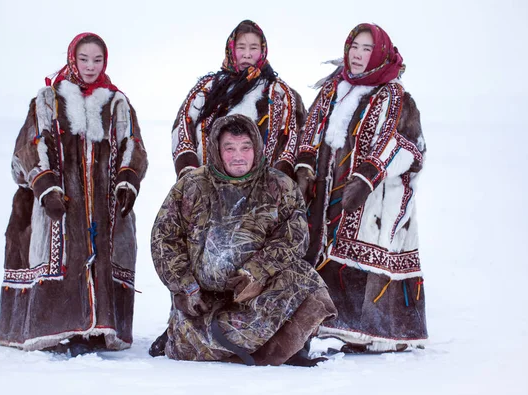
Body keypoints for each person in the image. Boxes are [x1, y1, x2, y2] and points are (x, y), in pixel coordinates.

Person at [0, 32, 148, 356]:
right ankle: (57, 327)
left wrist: (127, 181)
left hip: (104, 203)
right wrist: (46, 186)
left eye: (98, 60)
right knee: (62, 255)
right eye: (84, 59)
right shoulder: (48, 99)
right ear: (72, 59)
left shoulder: (117, 102)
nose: (91, 66)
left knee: (101, 256)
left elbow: (132, 145)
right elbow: (31, 144)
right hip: (59, 202)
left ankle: (96, 330)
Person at [151, 114, 337, 366]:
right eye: (230, 148)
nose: (238, 155)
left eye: (245, 147)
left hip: (259, 292)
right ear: (217, 150)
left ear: (256, 149)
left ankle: (292, 347)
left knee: (307, 281)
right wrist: (185, 286)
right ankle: (197, 338)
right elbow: (165, 239)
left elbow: (293, 237)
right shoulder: (192, 185)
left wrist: (256, 272)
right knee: (190, 344)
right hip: (205, 301)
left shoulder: (279, 185)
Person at [295, 23, 427, 353]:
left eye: (367, 49)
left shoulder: (395, 96)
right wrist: (304, 167)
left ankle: (370, 332)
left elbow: (405, 146)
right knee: (324, 251)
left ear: (380, 53)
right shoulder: (332, 90)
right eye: (355, 46)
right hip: (326, 193)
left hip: (376, 201)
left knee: (361, 252)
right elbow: (311, 129)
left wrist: (368, 177)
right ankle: (329, 323)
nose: (358, 54)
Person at [171, 19, 306, 181]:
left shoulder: (282, 94)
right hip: (208, 192)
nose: (247, 54)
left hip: (264, 196)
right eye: (241, 47)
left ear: (262, 51)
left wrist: (279, 181)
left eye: (253, 48)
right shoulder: (205, 90)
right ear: (232, 49)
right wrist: (190, 174)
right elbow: (183, 130)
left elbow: (292, 137)